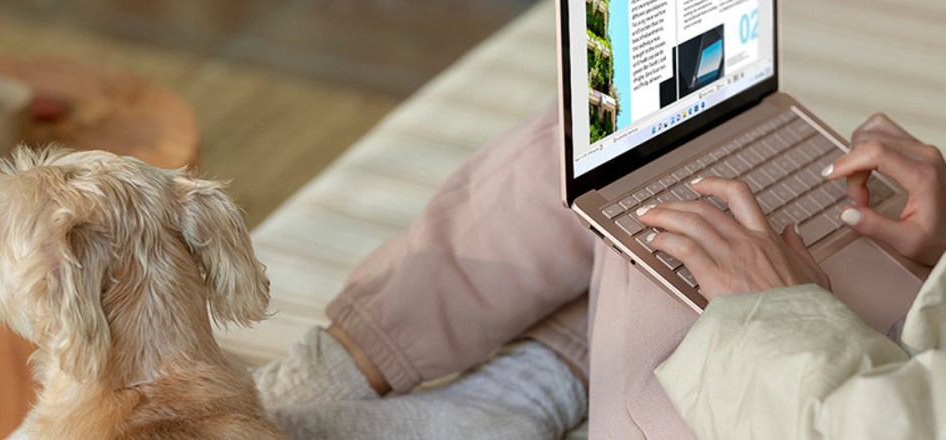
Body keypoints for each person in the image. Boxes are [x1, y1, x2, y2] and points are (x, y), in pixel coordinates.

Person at [252, 105, 946, 439]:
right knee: (669, 169)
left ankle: (331, 369)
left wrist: (783, 313)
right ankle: (519, 394)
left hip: (814, 402)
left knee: (605, 154)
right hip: (889, 356)